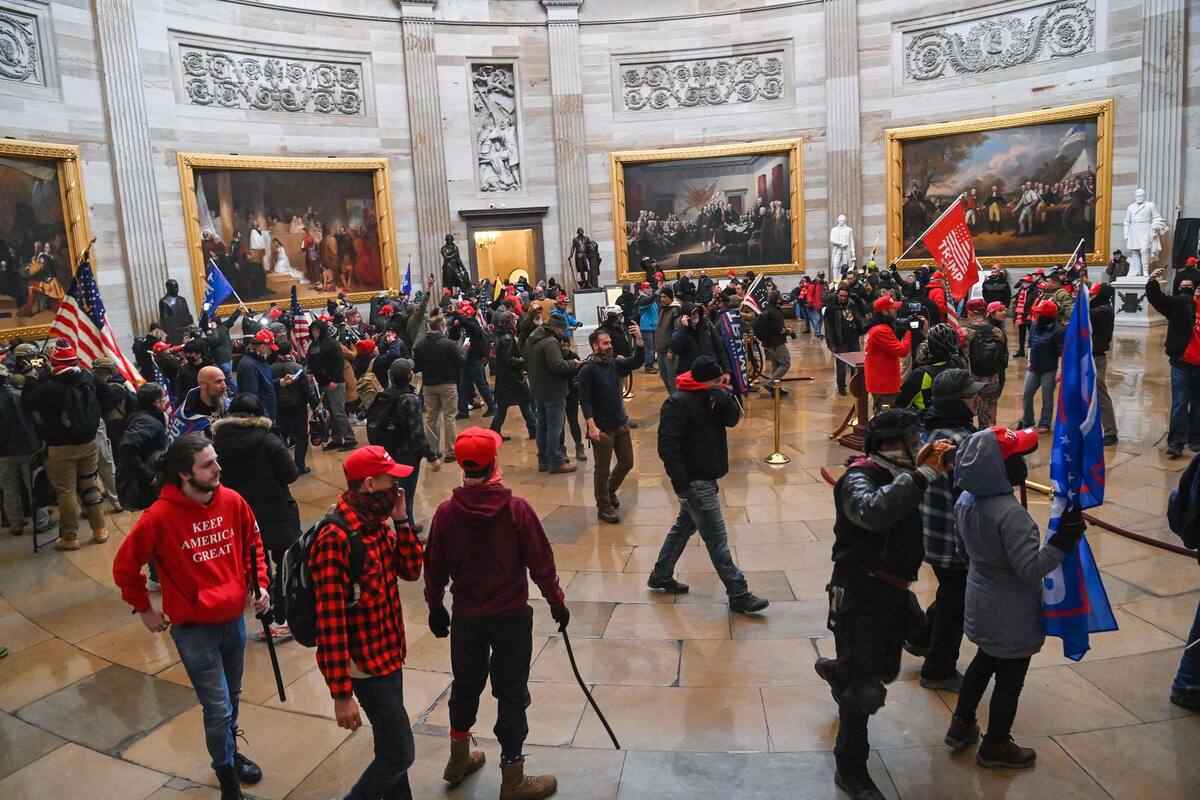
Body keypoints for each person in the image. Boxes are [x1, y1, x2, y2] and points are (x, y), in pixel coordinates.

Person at [112, 434, 271, 800]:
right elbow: (125, 567)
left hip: (233, 621)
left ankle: (229, 755)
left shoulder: (232, 500)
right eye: (208, 464)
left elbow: (253, 546)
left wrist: (260, 584)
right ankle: (228, 783)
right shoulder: (159, 517)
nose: (218, 468)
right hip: (193, 630)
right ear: (184, 474)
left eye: (216, 460)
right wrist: (144, 608)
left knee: (231, 698)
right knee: (217, 708)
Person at [814, 409, 955, 799]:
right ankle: (851, 769)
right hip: (859, 594)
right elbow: (873, 512)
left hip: (893, 591)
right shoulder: (857, 479)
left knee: (887, 667)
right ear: (887, 446)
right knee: (866, 693)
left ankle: (840, 671)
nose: (916, 449)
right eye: (910, 443)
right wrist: (922, 475)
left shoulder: (899, 476)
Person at [424, 427, 566, 800]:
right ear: (494, 464)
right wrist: (556, 601)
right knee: (512, 693)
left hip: (467, 617)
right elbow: (541, 562)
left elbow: (434, 566)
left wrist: (436, 605)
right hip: (510, 617)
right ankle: (513, 777)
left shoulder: (446, 514)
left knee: (465, 685)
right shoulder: (517, 510)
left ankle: (457, 759)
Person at [944, 426, 1084, 769]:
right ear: (999, 469)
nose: (1024, 462)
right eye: (1018, 457)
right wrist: (1062, 543)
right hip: (1011, 609)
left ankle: (961, 724)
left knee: (983, 660)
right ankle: (996, 744)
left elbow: (962, 549)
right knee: (1011, 678)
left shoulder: (965, 498)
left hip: (980, 594)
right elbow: (1030, 569)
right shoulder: (1011, 515)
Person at [311, 446, 424, 800]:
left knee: (389, 745)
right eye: (393, 480)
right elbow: (329, 621)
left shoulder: (377, 523)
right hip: (365, 665)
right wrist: (341, 693)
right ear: (371, 484)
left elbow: (410, 570)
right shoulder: (337, 537)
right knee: (400, 753)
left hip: (388, 652)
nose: (399, 486)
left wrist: (403, 520)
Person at [650, 356, 769, 613]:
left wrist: (725, 397)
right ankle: (738, 592)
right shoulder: (678, 402)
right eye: (718, 381)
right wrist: (681, 483)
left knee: (683, 527)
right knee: (717, 539)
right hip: (695, 481)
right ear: (704, 381)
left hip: (707, 475)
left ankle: (661, 573)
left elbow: (733, 420)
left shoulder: (713, 398)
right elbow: (667, 446)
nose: (723, 383)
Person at [906, 370, 984, 693]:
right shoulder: (961, 444)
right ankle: (938, 670)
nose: (977, 399)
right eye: (971, 396)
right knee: (957, 602)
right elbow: (974, 492)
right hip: (952, 541)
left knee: (951, 592)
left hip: (928, 534)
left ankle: (923, 637)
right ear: (956, 404)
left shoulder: (927, 430)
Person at [211, 394, 300, 640]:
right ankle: (283, 618)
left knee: (255, 569)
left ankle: (267, 622)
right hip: (277, 511)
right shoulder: (269, 440)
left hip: (240, 516)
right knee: (285, 566)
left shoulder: (216, 444)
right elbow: (290, 473)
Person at [21, 339, 109, 551]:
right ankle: (100, 530)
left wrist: (31, 379)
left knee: (66, 492)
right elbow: (107, 393)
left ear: (53, 363)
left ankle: (70, 537)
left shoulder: (48, 388)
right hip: (89, 443)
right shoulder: (86, 377)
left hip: (60, 448)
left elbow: (27, 403)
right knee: (90, 485)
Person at [577, 325, 644, 523]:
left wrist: (639, 340)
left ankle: (610, 489)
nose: (610, 346)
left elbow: (637, 361)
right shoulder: (587, 370)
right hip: (602, 428)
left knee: (626, 462)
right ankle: (603, 506)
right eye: (605, 343)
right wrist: (591, 425)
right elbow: (584, 399)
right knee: (602, 468)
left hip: (620, 423)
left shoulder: (614, 364)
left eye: (610, 343)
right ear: (595, 346)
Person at [368, 359, 443, 531]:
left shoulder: (385, 395)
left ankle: (408, 522)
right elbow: (417, 432)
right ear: (409, 376)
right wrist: (431, 456)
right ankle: (406, 530)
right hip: (406, 454)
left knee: (395, 491)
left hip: (387, 451)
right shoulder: (410, 399)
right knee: (404, 494)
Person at [1147, 267, 1200, 457]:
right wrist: (1152, 281)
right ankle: (1177, 442)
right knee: (1180, 401)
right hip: (1181, 361)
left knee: (1198, 404)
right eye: (1183, 286)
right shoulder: (1180, 304)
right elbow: (1159, 300)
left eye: (1191, 287)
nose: (1188, 289)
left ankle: (1195, 439)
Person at [525, 314, 580, 474]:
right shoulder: (550, 342)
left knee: (542, 425)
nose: (564, 333)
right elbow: (557, 365)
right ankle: (556, 462)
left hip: (538, 388)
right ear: (557, 328)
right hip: (553, 389)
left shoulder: (534, 337)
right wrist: (573, 364)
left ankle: (543, 460)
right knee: (554, 427)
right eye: (563, 329)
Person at [414, 315, 467, 459]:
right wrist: (463, 350)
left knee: (432, 418)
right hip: (447, 383)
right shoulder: (448, 344)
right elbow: (460, 362)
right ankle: (451, 451)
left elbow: (416, 367)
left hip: (429, 385)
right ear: (442, 327)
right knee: (449, 417)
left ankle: (433, 450)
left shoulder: (421, 345)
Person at [115, 382, 170, 512]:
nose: (166, 400)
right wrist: (149, 476)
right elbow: (126, 448)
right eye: (164, 398)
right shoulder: (148, 422)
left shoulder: (140, 415)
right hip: (145, 486)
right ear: (156, 403)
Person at [0, 363, 40, 536]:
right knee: (34, 486)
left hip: (3, 451)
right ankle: (41, 521)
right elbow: (37, 420)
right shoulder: (20, 396)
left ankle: (15, 524)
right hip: (28, 446)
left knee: (9, 489)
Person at [308, 319, 357, 451]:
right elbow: (311, 362)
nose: (315, 332)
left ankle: (350, 439)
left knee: (338, 412)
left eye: (317, 330)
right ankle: (336, 439)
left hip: (335, 382)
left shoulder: (332, 343)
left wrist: (335, 380)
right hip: (323, 383)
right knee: (331, 413)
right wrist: (309, 373)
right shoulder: (313, 346)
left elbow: (339, 362)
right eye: (313, 330)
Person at [489, 310, 538, 441]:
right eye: (514, 320)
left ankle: (494, 431)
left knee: (503, 406)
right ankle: (534, 430)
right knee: (525, 401)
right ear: (510, 322)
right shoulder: (507, 338)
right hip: (513, 377)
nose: (516, 322)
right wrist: (525, 362)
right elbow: (509, 359)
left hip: (504, 377)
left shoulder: (500, 335)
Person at [269, 342, 318, 473]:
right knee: (301, 436)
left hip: (280, 407)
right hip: (298, 406)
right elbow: (307, 390)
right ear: (291, 351)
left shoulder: (271, 368)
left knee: (282, 437)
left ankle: (286, 466)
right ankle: (300, 465)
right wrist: (315, 407)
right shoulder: (298, 368)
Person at [1017, 300, 1065, 433]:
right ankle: (1028, 421)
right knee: (1027, 394)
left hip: (1050, 369)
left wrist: (1059, 372)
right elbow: (1031, 344)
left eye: (1039, 313)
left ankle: (1045, 422)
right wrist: (1029, 361)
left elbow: (1062, 353)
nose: (1036, 315)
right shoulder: (1034, 325)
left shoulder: (1059, 331)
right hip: (1034, 367)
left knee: (1047, 396)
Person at [863, 296, 914, 413]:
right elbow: (902, 351)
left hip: (880, 381)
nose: (896, 310)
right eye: (893, 308)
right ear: (885, 311)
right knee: (885, 420)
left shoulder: (875, 328)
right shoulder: (881, 330)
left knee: (880, 414)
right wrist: (909, 331)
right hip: (884, 384)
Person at [453, 304, 497, 419]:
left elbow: (467, 323)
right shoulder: (461, 326)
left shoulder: (473, 325)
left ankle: (492, 407)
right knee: (463, 386)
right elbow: (453, 335)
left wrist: (455, 313)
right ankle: (463, 411)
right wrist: (455, 323)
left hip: (474, 359)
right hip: (464, 360)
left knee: (481, 384)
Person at [1089, 282, 1119, 446]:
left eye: (1093, 295)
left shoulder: (1105, 309)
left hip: (1097, 357)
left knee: (1100, 394)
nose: (1091, 297)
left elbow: (1088, 314)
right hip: (1086, 354)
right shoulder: (1097, 306)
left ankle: (1110, 431)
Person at [670, 302, 731, 378]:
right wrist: (683, 329)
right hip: (690, 374)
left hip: (711, 370)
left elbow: (720, 348)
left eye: (696, 312)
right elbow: (675, 347)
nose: (695, 315)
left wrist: (726, 371)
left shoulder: (707, 326)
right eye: (692, 313)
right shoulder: (681, 329)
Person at [824, 285, 866, 396]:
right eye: (841, 295)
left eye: (845, 296)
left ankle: (856, 384)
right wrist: (830, 343)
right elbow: (828, 327)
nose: (843, 298)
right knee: (841, 366)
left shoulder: (852, 305)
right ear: (837, 295)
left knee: (856, 365)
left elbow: (861, 314)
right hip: (840, 340)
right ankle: (841, 387)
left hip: (853, 338)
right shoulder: (831, 309)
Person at [172, 365, 230, 439]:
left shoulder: (222, 399)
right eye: (218, 382)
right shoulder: (187, 420)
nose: (224, 385)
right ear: (203, 384)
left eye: (224, 380)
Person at [234, 330, 279, 423]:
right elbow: (251, 398)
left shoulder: (259, 361)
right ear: (262, 347)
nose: (271, 352)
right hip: (262, 419)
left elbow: (263, 384)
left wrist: (280, 382)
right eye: (270, 349)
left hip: (268, 414)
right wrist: (265, 419)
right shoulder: (249, 366)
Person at [754, 290, 793, 393]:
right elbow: (780, 330)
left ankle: (776, 389)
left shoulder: (766, 309)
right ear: (777, 299)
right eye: (780, 297)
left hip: (767, 342)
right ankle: (771, 383)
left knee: (776, 366)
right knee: (785, 363)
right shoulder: (775, 312)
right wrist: (788, 331)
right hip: (776, 343)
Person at [654, 287, 683, 394]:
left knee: (672, 378)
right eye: (661, 297)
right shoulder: (662, 309)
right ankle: (672, 397)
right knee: (664, 376)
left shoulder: (675, 310)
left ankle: (676, 401)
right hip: (661, 349)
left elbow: (677, 331)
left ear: (670, 297)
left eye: (664, 297)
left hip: (670, 351)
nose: (662, 299)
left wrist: (672, 349)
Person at [1011, 271, 1041, 358]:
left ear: (1030, 283)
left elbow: (1035, 303)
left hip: (1030, 316)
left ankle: (1030, 351)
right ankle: (1021, 350)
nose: (1024, 283)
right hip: (1021, 315)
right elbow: (1016, 303)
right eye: (1023, 282)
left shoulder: (1035, 291)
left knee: (1031, 334)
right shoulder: (1021, 291)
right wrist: (1016, 315)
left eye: (1026, 282)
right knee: (1021, 334)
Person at [636, 282, 660, 372]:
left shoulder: (650, 300)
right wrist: (658, 292)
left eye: (650, 287)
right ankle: (648, 366)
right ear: (642, 290)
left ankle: (650, 364)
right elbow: (649, 300)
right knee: (649, 348)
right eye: (646, 288)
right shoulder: (642, 300)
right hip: (646, 327)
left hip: (653, 326)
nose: (649, 289)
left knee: (653, 347)